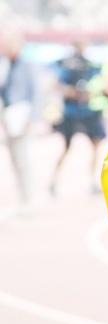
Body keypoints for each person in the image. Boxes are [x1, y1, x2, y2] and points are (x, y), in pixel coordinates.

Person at [49, 41, 108, 197]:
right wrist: (74, 92)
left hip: (89, 113)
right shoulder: (67, 66)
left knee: (96, 145)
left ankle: (93, 181)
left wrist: (92, 93)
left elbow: (100, 83)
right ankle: (54, 181)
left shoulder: (91, 65)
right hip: (72, 113)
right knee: (66, 148)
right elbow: (58, 86)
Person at [1, 29, 37, 214]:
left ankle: (27, 200)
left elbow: (35, 93)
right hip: (5, 118)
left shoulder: (27, 66)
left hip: (19, 119)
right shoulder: (4, 64)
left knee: (21, 161)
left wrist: (31, 118)